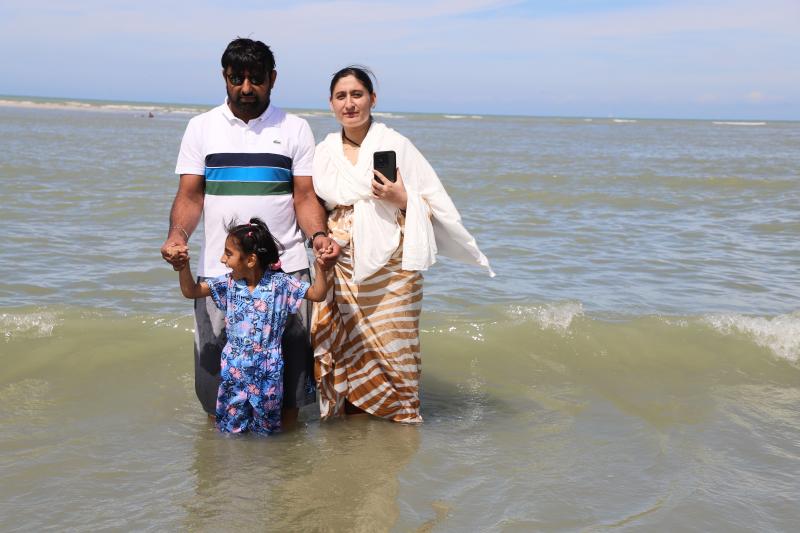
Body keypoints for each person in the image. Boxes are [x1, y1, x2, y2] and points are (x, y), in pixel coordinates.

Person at [160, 38, 339, 426]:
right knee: (215, 388)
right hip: (220, 270)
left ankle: (283, 479)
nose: (245, 88)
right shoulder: (201, 128)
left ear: (272, 79)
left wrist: (318, 237)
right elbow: (190, 197)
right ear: (223, 78)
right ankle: (222, 481)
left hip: (286, 270)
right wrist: (178, 237)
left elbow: (305, 197)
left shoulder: (294, 129)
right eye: (236, 78)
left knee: (288, 387)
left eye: (255, 79)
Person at [311, 66, 494, 423]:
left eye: (357, 95)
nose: (349, 104)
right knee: (345, 346)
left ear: (372, 99)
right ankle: (352, 431)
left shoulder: (397, 145)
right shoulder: (323, 151)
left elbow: (437, 206)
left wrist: (402, 197)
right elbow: (313, 204)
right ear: (331, 104)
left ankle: (398, 428)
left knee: (396, 346)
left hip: (393, 267)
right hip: (340, 262)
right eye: (341, 96)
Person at [170, 218, 329, 434]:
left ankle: (260, 467)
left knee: (266, 433)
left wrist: (322, 268)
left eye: (229, 254)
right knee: (230, 432)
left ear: (251, 260)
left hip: (268, 373)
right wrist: (183, 266)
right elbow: (192, 291)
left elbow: (317, 294)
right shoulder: (227, 284)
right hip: (233, 370)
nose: (222, 259)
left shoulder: (281, 284)